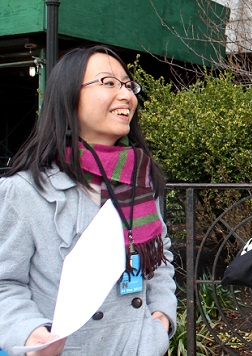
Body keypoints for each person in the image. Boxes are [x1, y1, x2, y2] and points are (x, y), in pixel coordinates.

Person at [0, 45, 177, 355]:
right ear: (69, 96)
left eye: (128, 84)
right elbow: (5, 285)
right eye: (108, 83)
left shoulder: (140, 180)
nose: (126, 96)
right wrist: (32, 334)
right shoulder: (24, 190)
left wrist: (161, 318)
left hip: (139, 346)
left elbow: (159, 260)